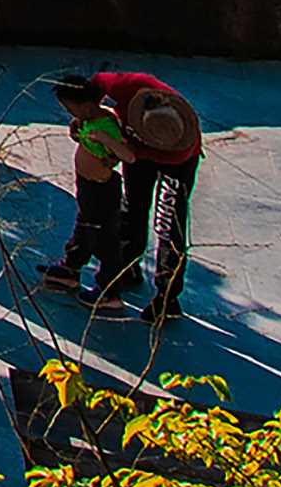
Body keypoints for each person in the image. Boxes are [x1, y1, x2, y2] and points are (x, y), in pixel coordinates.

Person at [52, 65, 207, 308]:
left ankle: (166, 297)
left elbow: (131, 155)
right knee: (132, 210)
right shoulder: (129, 85)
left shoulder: (178, 148)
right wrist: (86, 116)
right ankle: (124, 269)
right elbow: (96, 84)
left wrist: (117, 150)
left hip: (170, 162)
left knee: (168, 223)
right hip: (137, 151)